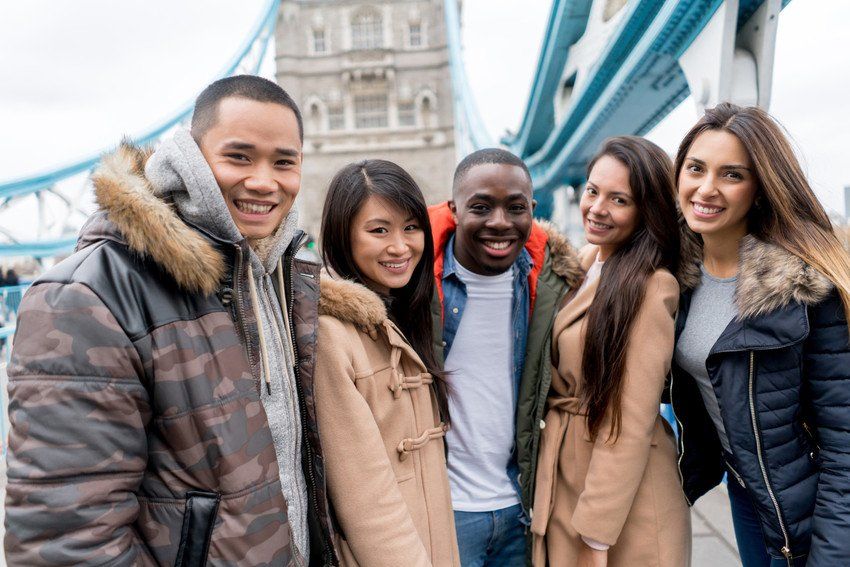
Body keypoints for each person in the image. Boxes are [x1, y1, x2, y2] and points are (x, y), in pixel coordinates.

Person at [3, 75, 337, 566]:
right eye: (239, 157)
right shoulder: (86, 297)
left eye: (284, 162)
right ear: (192, 156)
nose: (265, 181)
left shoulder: (282, 278)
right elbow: (64, 540)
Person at [671, 103, 850, 567]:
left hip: (814, 509)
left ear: (761, 189)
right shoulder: (677, 276)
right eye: (696, 168)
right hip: (748, 489)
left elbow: (844, 448)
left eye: (731, 175)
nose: (706, 188)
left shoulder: (806, 288)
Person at [530, 136, 691, 566]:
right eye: (592, 190)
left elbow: (631, 421)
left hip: (623, 506)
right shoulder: (584, 261)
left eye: (619, 199)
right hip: (570, 472)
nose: (597, 208)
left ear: (646, 211)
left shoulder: (652, 286)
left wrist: (596, 538)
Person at [429, 148, 582, 565]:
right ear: (454, 210)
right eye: (481, 207)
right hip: (445, 511)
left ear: (531, 210)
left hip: (520, 510)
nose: (499, 222)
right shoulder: (414, 283)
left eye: (515, 208)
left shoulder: (553, 286)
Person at [314, 159, 459, 566]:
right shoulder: (331, 334)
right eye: (379, 230)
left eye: (411, 227)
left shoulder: (403, 314)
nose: (400, 246)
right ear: (344, 236)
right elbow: (364, 496)